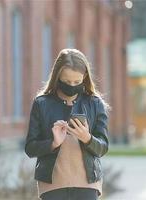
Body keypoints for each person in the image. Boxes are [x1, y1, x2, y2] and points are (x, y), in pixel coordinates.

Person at [24, 49, 110, 200]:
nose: (72, 85)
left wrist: (87, 138)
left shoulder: (95, 104)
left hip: (87, 185)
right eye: (67, 81)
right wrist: (53, 143)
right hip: (52, 185)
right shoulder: (42, 103)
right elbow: (30, 148)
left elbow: (103, 147)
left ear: (84, 77)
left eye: (77, 82)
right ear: (58, 77)